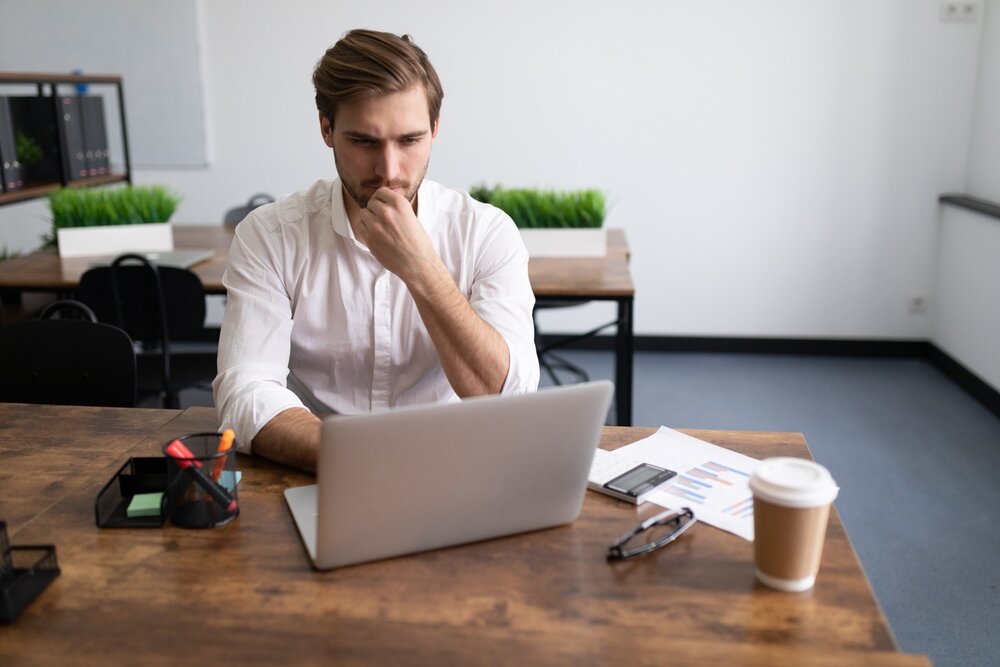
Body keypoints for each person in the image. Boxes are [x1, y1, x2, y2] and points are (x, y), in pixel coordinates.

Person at [213, 29, 540, 471]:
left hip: (452, 468)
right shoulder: (271, 235)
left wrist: (423, 270)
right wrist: (367, 459)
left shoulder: (485, 232)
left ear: (435, 130)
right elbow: (245, 391)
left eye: (409, 141)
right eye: (365, 142)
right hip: (323, 465)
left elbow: (510, 398)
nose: (389, 171)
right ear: (327, 129)